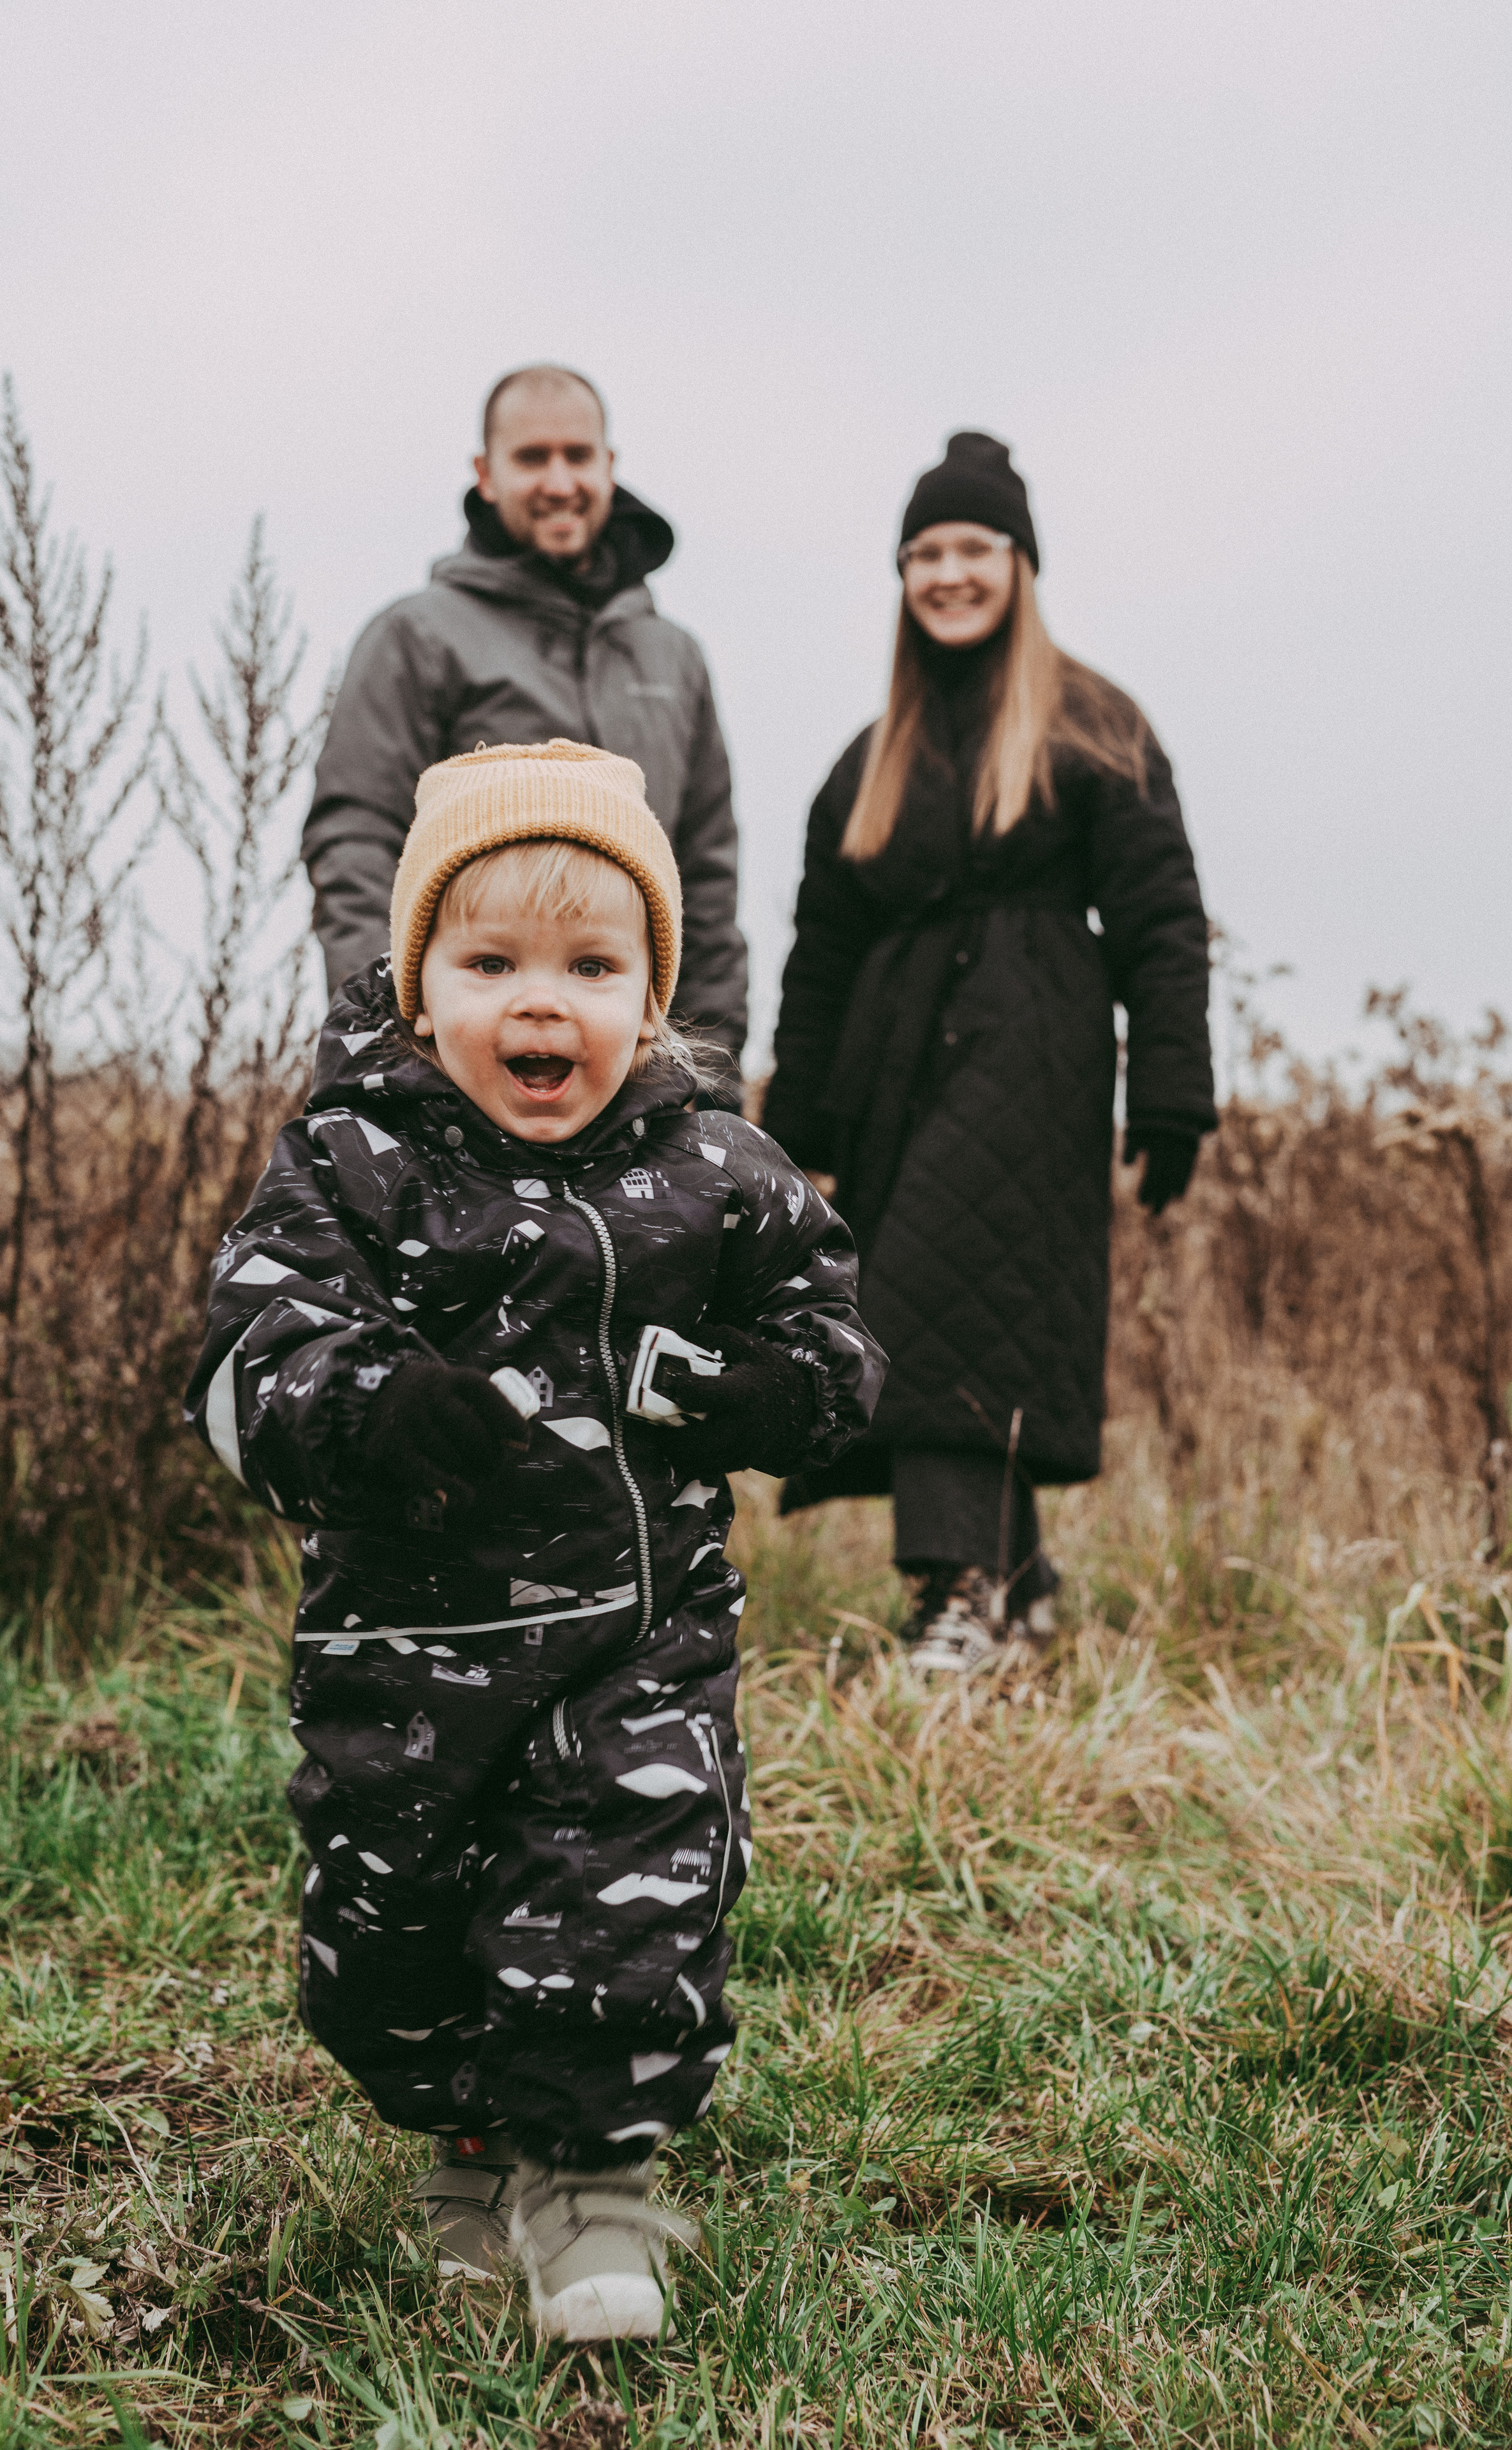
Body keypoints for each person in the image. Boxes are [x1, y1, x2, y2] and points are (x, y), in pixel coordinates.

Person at [187, 739, 883, 2338]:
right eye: (490, 961)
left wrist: (765, 1388)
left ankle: (593, 2186)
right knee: (394, 1934)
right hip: (403, 1654)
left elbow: (835, 1344)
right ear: (419, 984)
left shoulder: (714, 1165)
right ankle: (464, 2140)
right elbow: (240, 1364)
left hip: (635, 1638)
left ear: (649, 996)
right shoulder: (354, 1162)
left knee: (623, 1896)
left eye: (588, 963)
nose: (539, 1004)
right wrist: (366, 1400)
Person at [763, 432, 1214, 1676]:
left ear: (1019, 564)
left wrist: (1171, 1093)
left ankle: (953, 1602)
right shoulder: (868, 762)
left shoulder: (1092, 727)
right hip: (890, 1067)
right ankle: (1015, 1595)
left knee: (924, 1313)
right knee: (966, 1320)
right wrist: (795, 1116)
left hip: (1034, 1056)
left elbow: (1158, 918)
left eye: (970, 547)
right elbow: (821, 946)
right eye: (922, 553)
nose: (945, 573)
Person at [301, 364, 749, 1099]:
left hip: (633, 1080)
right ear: (485, 474)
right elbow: (356, 846)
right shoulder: (416, 637)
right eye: (531, 458)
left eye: (578, 456)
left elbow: (704, 875)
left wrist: (712, 1073)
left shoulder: (674, 656)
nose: (558, 479)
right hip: (459, 1073)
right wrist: (395, 1045)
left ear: (609, 466)